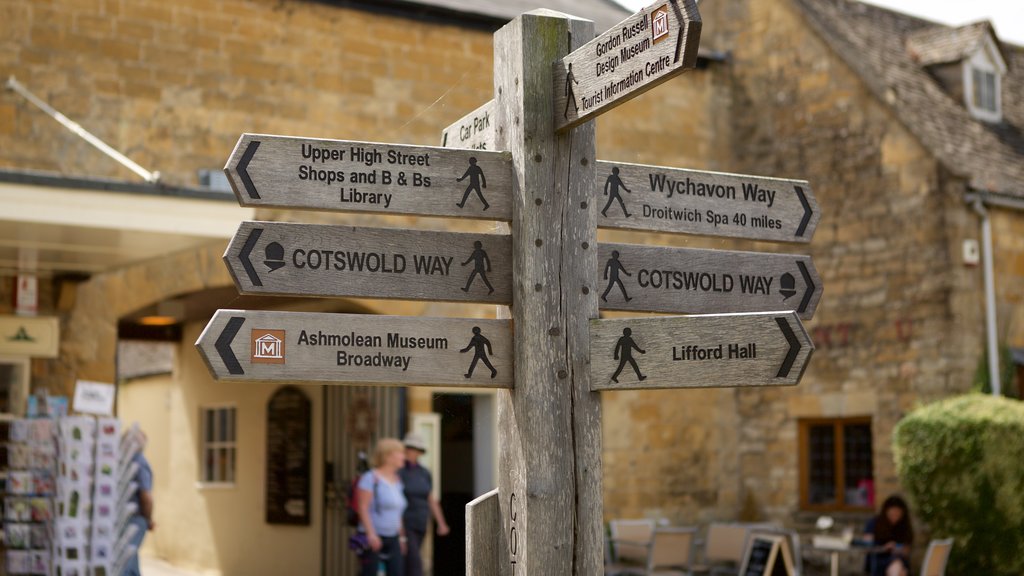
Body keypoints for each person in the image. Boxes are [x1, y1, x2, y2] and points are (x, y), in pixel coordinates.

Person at [397, 432, 450, 576]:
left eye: (413, 448)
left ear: (419, 452)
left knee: (409, 562)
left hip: (421, 524)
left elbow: (430, 499)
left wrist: (441, 523)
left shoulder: (424, 472)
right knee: (415, 564)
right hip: (406, 524)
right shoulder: (399, 472)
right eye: (407, 447)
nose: (409, 450)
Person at [357, 438, 408, 576]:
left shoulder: (397, 480)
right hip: (372, 538)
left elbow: (398, 513)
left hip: (393, 537)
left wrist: (402, 538)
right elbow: (363, 507)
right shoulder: (370, 478)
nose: (404, 456)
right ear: (388, 456)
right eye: (401, 453)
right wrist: (371, 534)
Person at [123, 427, 154, 576]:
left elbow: (146, 496)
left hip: (134, 517)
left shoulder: (136, 463)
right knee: (129, 559)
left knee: (128, 559)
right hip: (134, 518)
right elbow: (146, 496)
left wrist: (147, 518)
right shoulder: (138, 462)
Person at [863, 495, 913, 576]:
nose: (895, 517)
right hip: (878, 559)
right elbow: (867, 545)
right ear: (886, 511)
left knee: (899, 568)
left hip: (898, 559)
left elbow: (907, 550)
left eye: (898, 514)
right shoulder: (874, 523)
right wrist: (884, 548)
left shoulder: (904, 527)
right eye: (893, 513)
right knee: (899, 570)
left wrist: (898, 548)